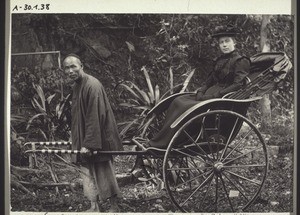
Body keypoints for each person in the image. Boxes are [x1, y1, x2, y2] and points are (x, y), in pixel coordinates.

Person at [148, 25, 251, 148]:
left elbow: (238, 84)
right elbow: (210, 80)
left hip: (223, 98)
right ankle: (165, 139)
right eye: (221, 42)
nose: (224, 45)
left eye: (227, 41)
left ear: (234, 42)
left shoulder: (241, 61)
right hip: (209, 94)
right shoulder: (219, 60)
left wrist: (217, 95)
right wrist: (201, 91)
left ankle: (167, 142)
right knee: (178, 101)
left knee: (186, 106)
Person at [62, 53, 123, 212]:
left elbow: (94, 116)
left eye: (73, 66)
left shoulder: (92, 85)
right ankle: (94, 206)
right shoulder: (77, 86)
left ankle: (114, 206)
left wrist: (89, 144)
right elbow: (78, 116)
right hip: (85, 136)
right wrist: (76, 139)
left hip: (99, 137)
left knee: (103, 170)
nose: (70, 70)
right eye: (66, 68)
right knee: (86, 171)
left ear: (81, 66)